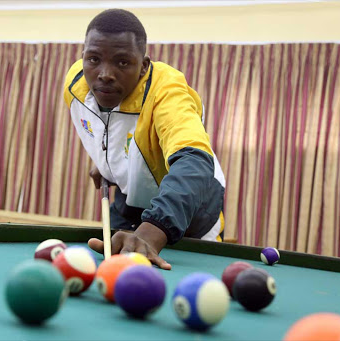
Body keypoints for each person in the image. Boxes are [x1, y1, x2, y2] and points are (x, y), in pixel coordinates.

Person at [63, 9, 225, 270]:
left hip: (188, 205)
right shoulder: (76, 85)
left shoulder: (167, 91)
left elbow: (194, 162)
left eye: (123, 62)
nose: (104, 73)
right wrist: (109, 164)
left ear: (144, 66)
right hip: (130, 199)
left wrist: (151, 233)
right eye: (93, 59)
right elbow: (109, 129)